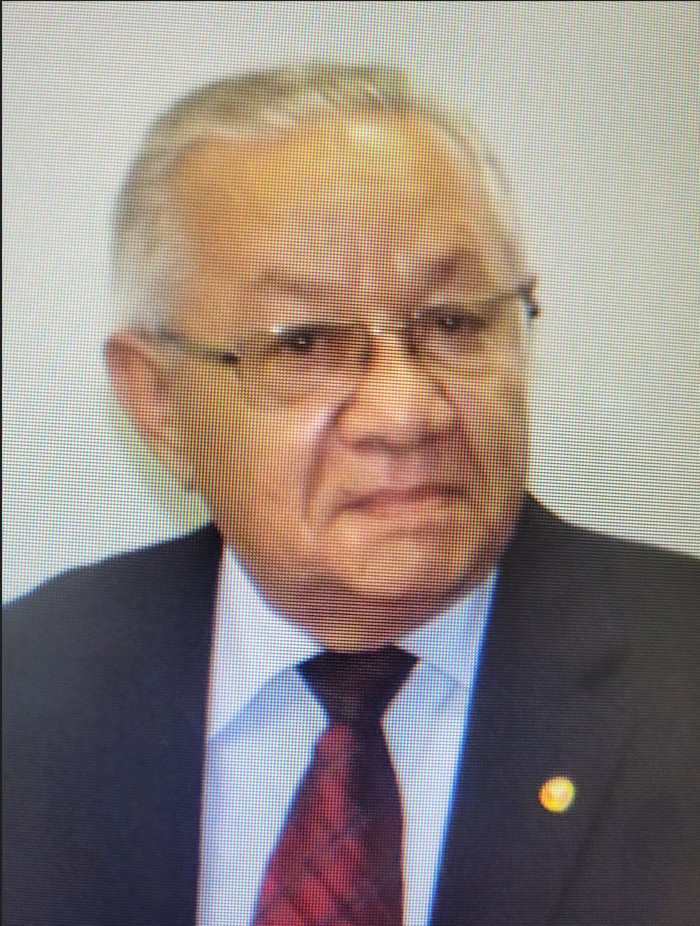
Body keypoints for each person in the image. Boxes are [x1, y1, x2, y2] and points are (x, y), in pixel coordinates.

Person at [3, 63, 698, 926]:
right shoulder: (25, 694)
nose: (405, 413)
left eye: (454, 323)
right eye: (304, 344)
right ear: (161, 404)